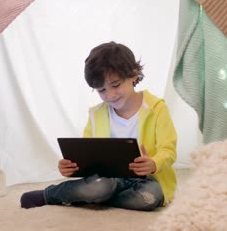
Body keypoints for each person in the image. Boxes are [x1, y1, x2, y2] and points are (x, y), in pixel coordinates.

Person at [20, 41, 177, 211]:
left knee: (148, 198)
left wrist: (153, 163)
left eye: (115, 85)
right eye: (102, 90)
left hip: (148, 179)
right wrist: (71, 167)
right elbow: (87, 155)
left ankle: (96, 198)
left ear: (134, 74)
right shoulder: (96, 114)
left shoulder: (157, 108)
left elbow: (168, 150)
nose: (110, 95)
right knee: (98, 186)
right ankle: (49, 195)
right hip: (108, 179)